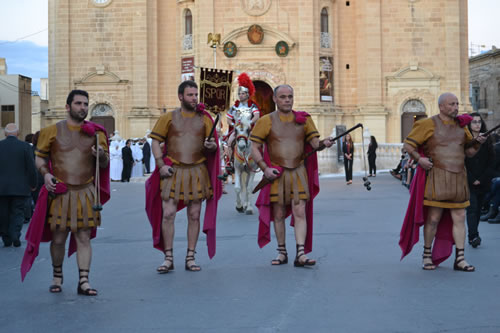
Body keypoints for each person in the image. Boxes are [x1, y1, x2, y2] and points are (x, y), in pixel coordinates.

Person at [21, 89, 110, 296]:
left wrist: (101, 155)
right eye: (78, 104)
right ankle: (57, 276)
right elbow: (40, 158)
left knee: (84, 237)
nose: (83, 108)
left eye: (86, 104)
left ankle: (84, 281)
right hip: (60, 192)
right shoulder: (51, 131)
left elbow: (104, 164)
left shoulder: (97, 133)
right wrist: (45, 174)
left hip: (86, 191)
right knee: (58, 238)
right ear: (68, 107)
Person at [399, 92, 487, 272]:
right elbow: (408, 145)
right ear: (441, 106)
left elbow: (468, 152)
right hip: (436, 177)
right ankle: (426, 255)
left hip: (458, 178)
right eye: (451, 104)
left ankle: (460, 259)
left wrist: (477, 143)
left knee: (460, 217)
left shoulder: (462, 127)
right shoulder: (427, 124)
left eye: (456, 104)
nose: (456, 107)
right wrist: (419, 159)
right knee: (433, 218)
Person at [250, 84, 333, 267]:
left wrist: (323, 143)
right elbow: (254, 147)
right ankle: (282, 252)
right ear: (275, 99)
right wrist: (264, 168)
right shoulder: (265, 121)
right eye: (283, 97)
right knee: (278, 213)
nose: (287, 100)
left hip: (298, 172)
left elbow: (314, 144)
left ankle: (301, 253)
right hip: (277, 173)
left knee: (300, 211)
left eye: (290, 96)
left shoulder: (304, 119)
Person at [145, 80, 222, 273]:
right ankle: (168, 258)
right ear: (181, 97)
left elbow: (211, 143)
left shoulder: (205, 118)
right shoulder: (168, 118)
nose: (194, 98)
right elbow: (155, 141)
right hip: (173, 170)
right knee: (168, 213)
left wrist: (212, 146)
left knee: (194, 215)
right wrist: (160, 164)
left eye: (196, 95)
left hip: (197, 170)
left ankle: (190, 257)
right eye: (190, 95)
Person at [0, 124, 37, 247]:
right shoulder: (25, 147)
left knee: (3, 212)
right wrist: (33, 183)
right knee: (18, 212)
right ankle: (15, 234)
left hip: (2, 188)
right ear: (18, 133)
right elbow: (31, 168)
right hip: (20, 187)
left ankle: (6, 237)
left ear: (5, 134)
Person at [465, 113, 494, 247]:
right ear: (469, 125)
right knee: (472, 208)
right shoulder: (466, 140)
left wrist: (481, 179)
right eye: (474, 122)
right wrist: (472, 179)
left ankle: (474, 233)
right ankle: (473, 236)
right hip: (468, 181)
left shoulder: (487, 140)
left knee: (477, 210)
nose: (477, 124)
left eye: (479, 122)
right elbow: (462, 162)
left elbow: (491, 162)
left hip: (483, 180)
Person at [225, 73, 260, 172]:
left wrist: (249, 123)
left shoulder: (252, 106)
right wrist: (233, 125)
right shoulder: (234, 107)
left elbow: (257, 116)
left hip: (250, 129)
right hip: (238, 130)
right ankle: (231, 162)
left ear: (247, 94)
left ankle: (259, 161)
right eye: (239, 93)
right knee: (230, 142)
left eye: (243, 93)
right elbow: (228, 119)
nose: (241, 95)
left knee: (259, 143)